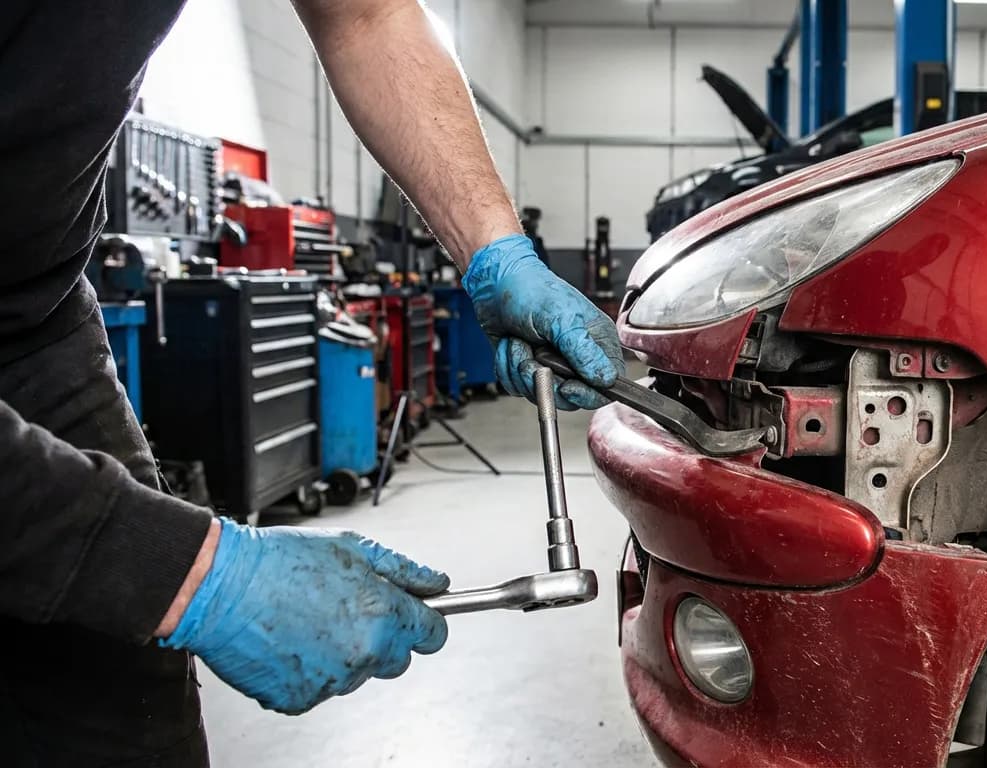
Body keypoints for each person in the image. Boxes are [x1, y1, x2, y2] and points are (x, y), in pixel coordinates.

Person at [0, 0, 624, 764]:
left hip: (34, 314)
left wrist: (497, 254)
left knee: (118, 707)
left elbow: (366, 14)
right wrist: (193, 576)